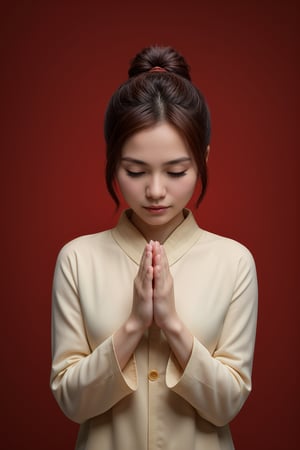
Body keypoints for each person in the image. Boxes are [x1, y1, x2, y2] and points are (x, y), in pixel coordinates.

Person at [50, 45, 258, 450]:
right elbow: (71, 402)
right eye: (135, 170)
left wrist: (172, 325)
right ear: (113, 162)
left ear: (203, 160)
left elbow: (228, 404)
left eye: (177, 171)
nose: (156, 191)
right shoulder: (77, 259)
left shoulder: (234, 262)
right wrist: (132, 327)